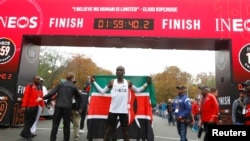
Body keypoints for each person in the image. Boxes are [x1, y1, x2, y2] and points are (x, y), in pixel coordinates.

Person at [90, 65, 151, 141]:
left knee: (125, 132)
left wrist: (147, 84)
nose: (119, 71)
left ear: (124, 72)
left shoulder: (127, 83)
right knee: (108, 131)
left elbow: (137, 90)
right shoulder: (112, 82)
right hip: (113, 110)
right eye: (118, 70)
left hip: (123, 111)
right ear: (116, 72)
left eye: (121, 70)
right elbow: (102, 91)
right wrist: (94, 82)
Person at [43, 72, 83, 141]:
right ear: (72, 78)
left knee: (55, 125)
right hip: (67, 107)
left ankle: (52, 139)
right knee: (67, 126)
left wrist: (43, 97)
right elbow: (79, 97)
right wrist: (78, 107)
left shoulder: (60, 84)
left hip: (58, 106)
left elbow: (51, 93)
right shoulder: (73, 86)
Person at [20, 75, 45, 141]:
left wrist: (42, 106)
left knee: (33, 121)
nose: (39, 80)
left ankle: (23, 133)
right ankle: (27, 136)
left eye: (39, 79)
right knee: (28, 121)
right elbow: (25, 96)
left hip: (36, 107)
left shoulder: (40, 87)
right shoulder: (30, 86)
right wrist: (23, 106)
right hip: (29, 107)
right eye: (37, 79)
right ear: (33, 80)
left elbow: (41, 98)